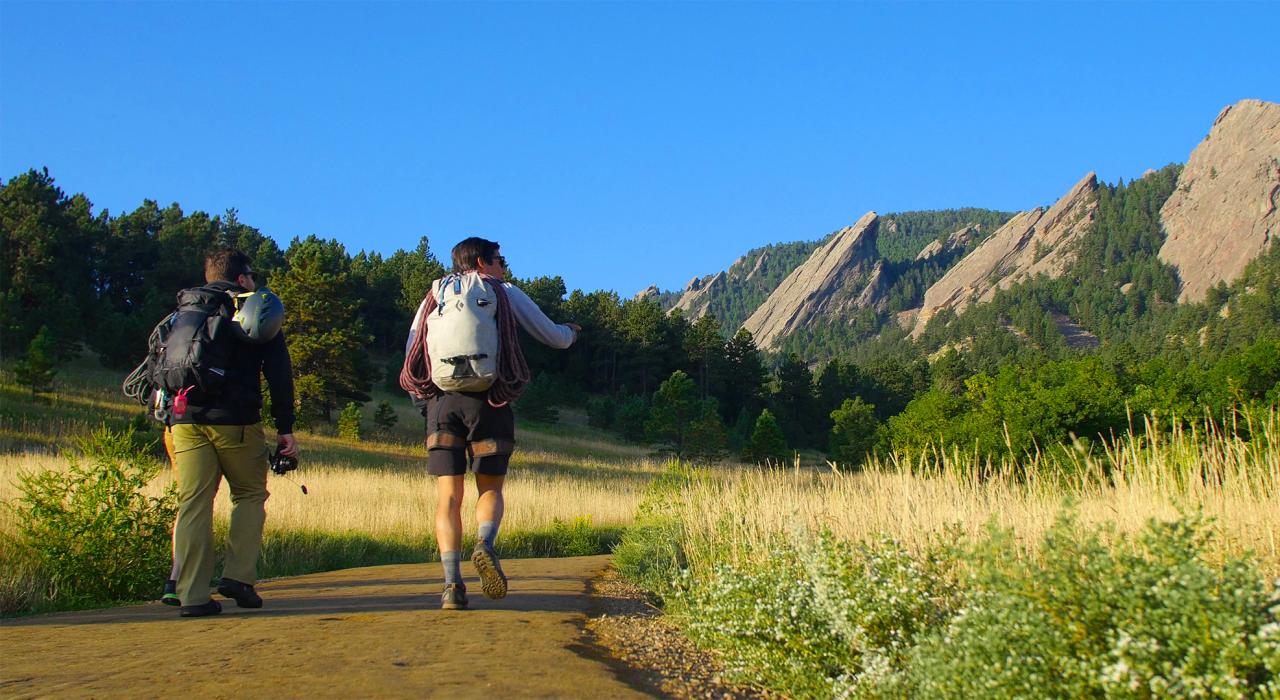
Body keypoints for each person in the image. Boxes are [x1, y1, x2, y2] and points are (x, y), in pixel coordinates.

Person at [401, 237, 580, 610]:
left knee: (448, 498)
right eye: (500, 259)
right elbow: (554, 337)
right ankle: (484, 544)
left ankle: (451, 585)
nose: (505, 266)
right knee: (490, 489)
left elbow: (413, 349)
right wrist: (572, 331)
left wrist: (423, 402)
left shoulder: (433, 296)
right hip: (490, 401)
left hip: (441, 404)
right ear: (482, 262)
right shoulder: (503, 291)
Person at [170, 249, 298, 617]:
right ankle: (239, 577)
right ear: (242, 279)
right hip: (236, 420)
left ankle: (191, 596)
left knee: (194, 504)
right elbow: (279, 374)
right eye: (252, 276)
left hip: (186, 420)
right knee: (249, 494)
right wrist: (285, 429)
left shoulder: (187, 310)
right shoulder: (255, 309)